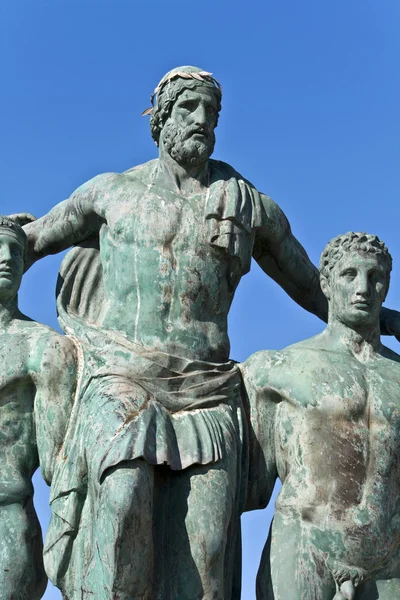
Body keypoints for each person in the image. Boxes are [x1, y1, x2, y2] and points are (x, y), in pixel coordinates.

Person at [18, 67, 400, 599]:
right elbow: (27, 243)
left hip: (208, 387)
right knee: (123, 502)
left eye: (211, 113)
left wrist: (380, 321)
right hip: (123, 374)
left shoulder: (243, 202)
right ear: (160, 120)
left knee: (208, 544)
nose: (201, 121)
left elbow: (309, 281)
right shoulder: (111, 193)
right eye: (188, 109)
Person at [242, 232, 400, 600]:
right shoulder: (278, 368)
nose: (363, 287)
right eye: (349, 275)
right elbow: (242, 486)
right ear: (326, 284)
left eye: (375, 277)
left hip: (390, 560)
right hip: (308, 548)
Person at [0, 216, 76, 600]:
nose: (6, 259)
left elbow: (59, 467)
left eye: (16, 250)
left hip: (5, 519)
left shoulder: (44, 350)